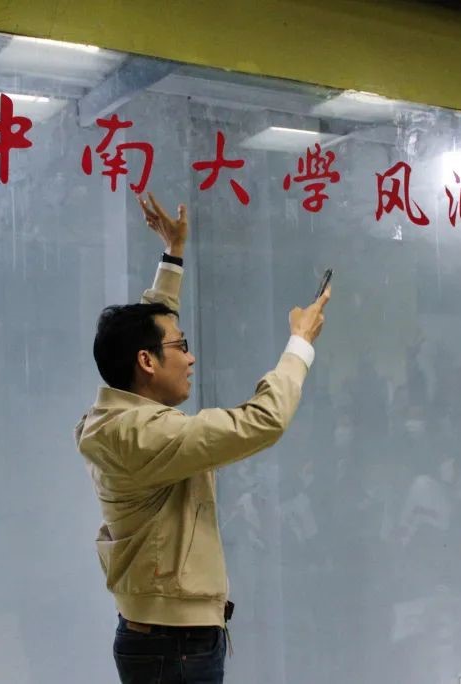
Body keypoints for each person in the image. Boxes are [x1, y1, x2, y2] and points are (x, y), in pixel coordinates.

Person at [75, 192, 331, 684]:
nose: (191, 357)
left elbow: (149, 328)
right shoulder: (145, 435)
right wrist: (300, 343)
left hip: (167, 639)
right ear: (147, 363)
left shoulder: (118, 413)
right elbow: (262, 422)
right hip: (175, 649)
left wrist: (172, 255)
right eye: (182, 347)